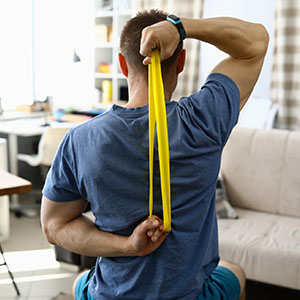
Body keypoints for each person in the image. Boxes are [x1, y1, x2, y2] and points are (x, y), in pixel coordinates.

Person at [41, 9, 268, 300]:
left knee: (81, 283)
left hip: (111, 294)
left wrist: (127, 247)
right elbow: (256, 43)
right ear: (182, 62)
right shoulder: (203, 119)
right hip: (189, 294)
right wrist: (181, 28)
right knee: (233, 270)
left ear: (122, 65)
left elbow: (54, 226)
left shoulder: (78, 140)